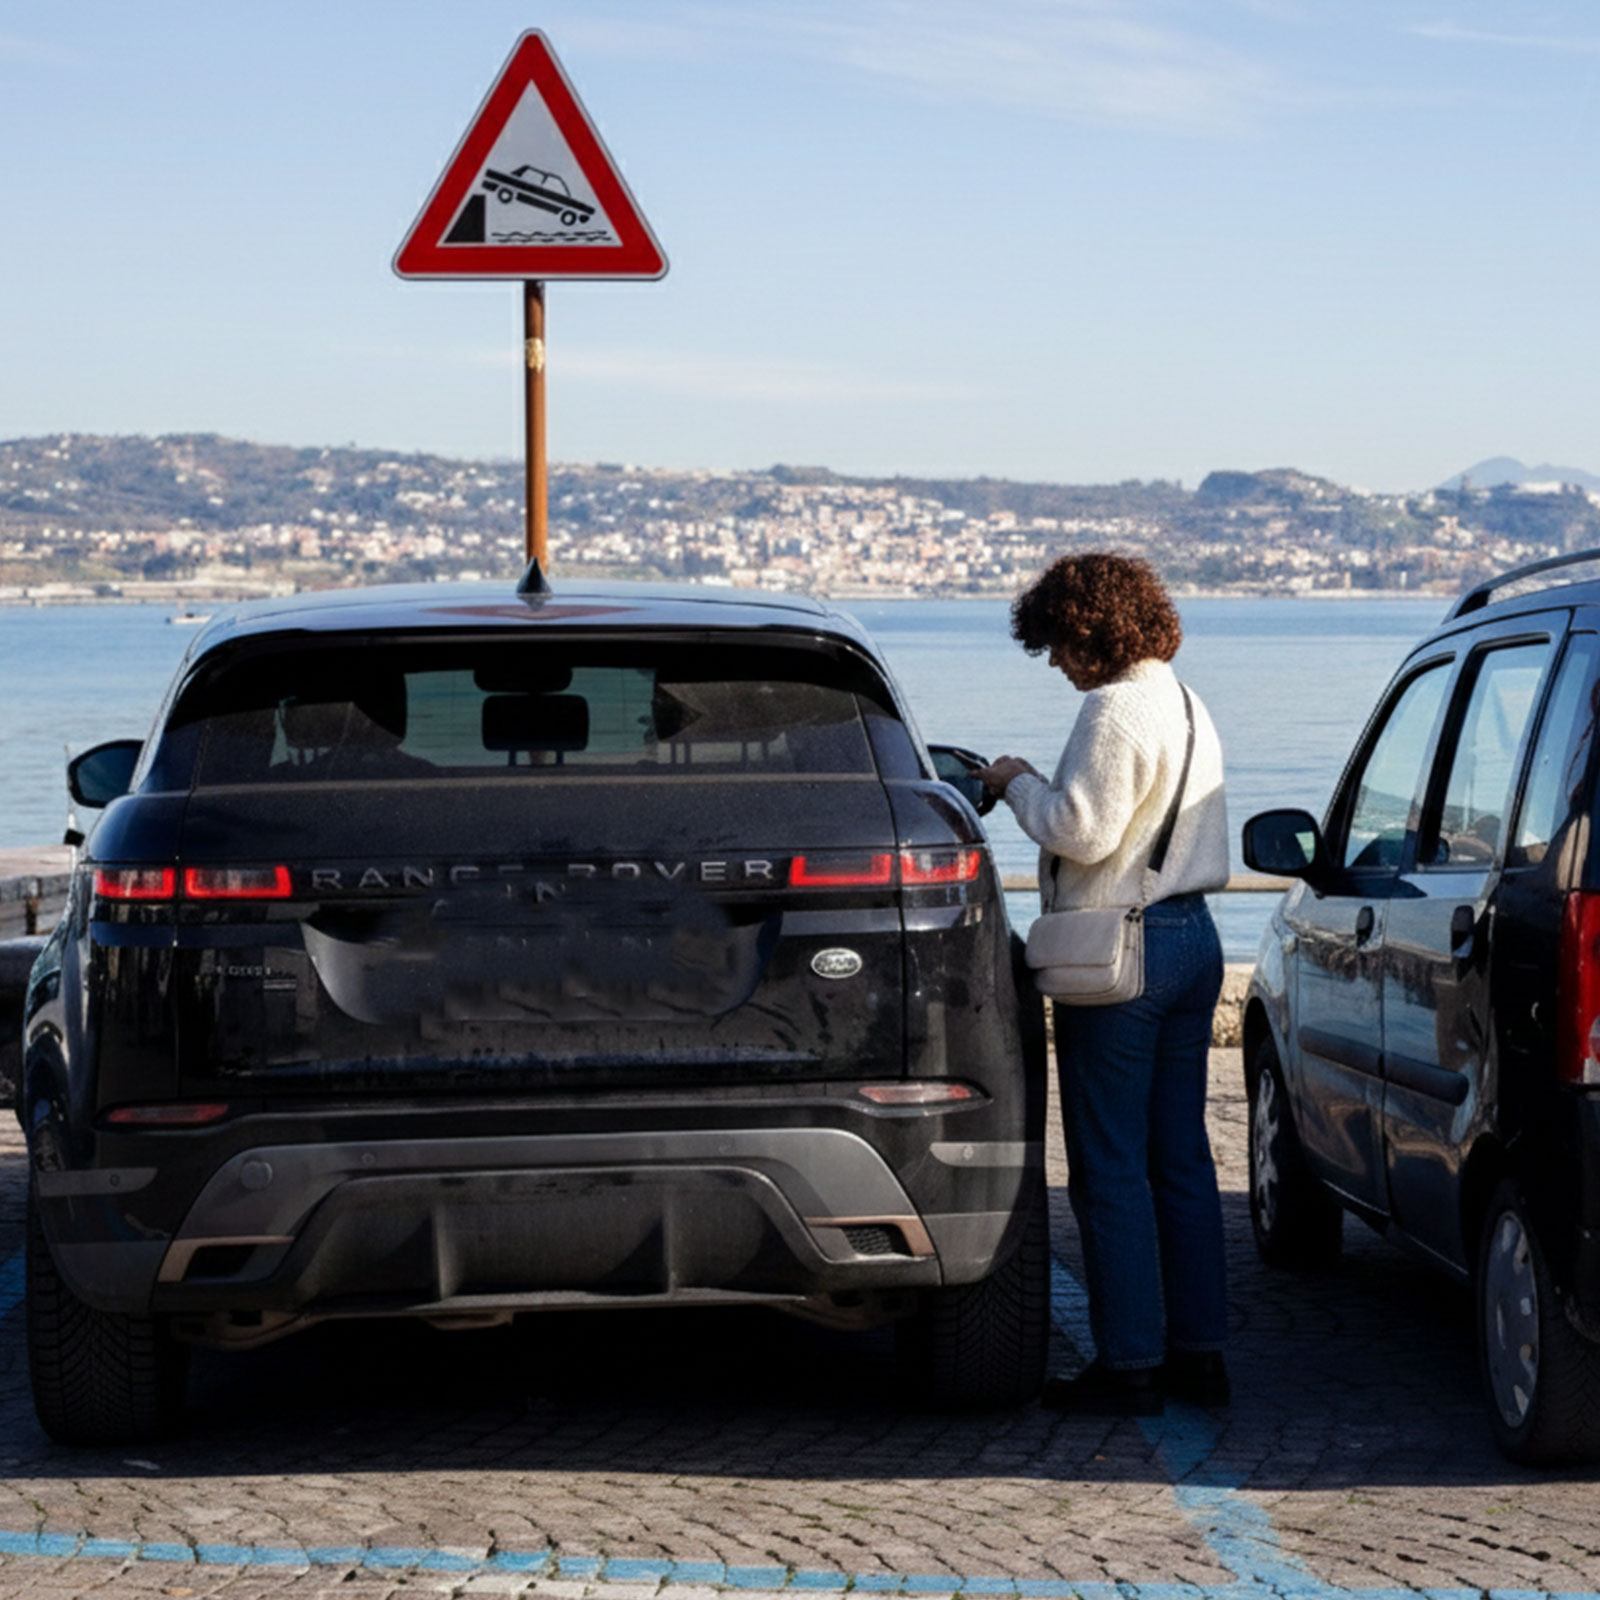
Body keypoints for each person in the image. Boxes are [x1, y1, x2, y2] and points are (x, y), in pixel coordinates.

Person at [977, 552, 1231, 1415]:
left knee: (1110, 1166)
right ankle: (1201, 1354)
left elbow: (1079, 830)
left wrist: (1014, 785)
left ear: (1089, 631)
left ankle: (1129, 1366)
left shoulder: (1113, 709)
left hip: (1125, 947)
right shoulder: (1189, 701)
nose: (1054, 661)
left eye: (1056, 642)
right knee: (1181, 1160)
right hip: (1195, 938)